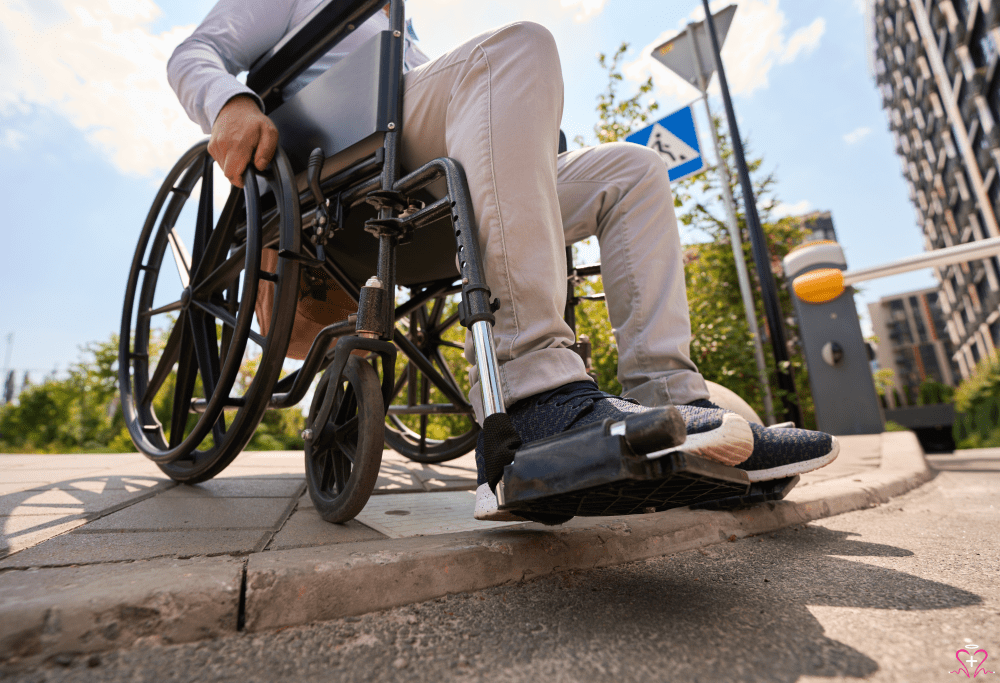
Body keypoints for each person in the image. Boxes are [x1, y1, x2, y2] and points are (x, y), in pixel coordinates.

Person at [168, 1, 839, 521]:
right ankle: (536, 399)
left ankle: (673, 410)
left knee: (634, 170)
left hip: (421, 171)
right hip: (343, 172)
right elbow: (195, 53)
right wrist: (228, 100)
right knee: (518, 48)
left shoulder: (405, 38)